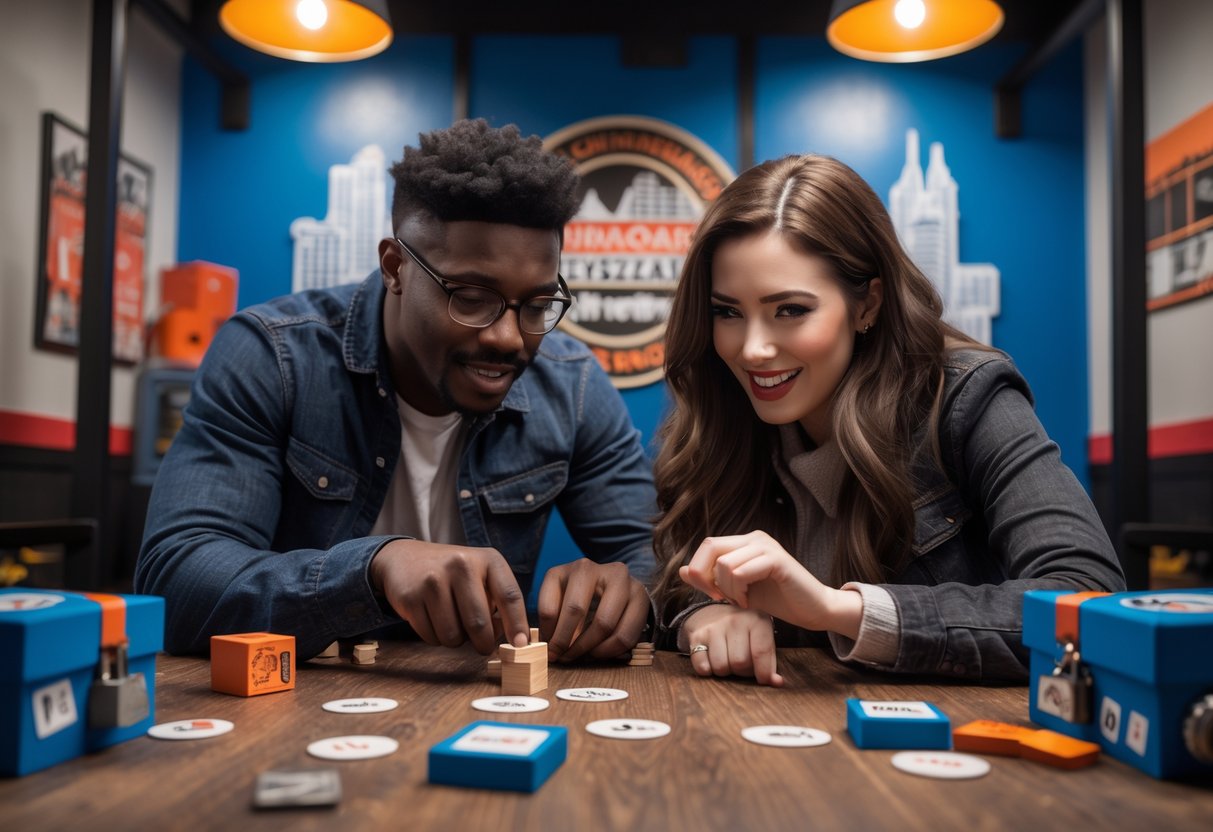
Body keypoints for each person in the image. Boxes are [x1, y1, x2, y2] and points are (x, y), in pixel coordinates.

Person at [137, 119, 656, 661]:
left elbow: (651, 557)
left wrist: (628, 591)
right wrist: (373, 569)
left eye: (535, 305)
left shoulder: (572, 385)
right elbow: (177, 581)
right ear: (395, 267)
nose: (508, 338)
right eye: (472, 296)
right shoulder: (272, 357)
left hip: (482, 709)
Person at [651, 154, 1124, 685]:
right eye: (728, 312)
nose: (754, 349)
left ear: (867, 304)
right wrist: (702, 614)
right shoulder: (721, 415)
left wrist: (838, 610)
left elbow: (1090, 599)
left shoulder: (967, 397)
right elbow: (671, 582)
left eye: (790, 310)